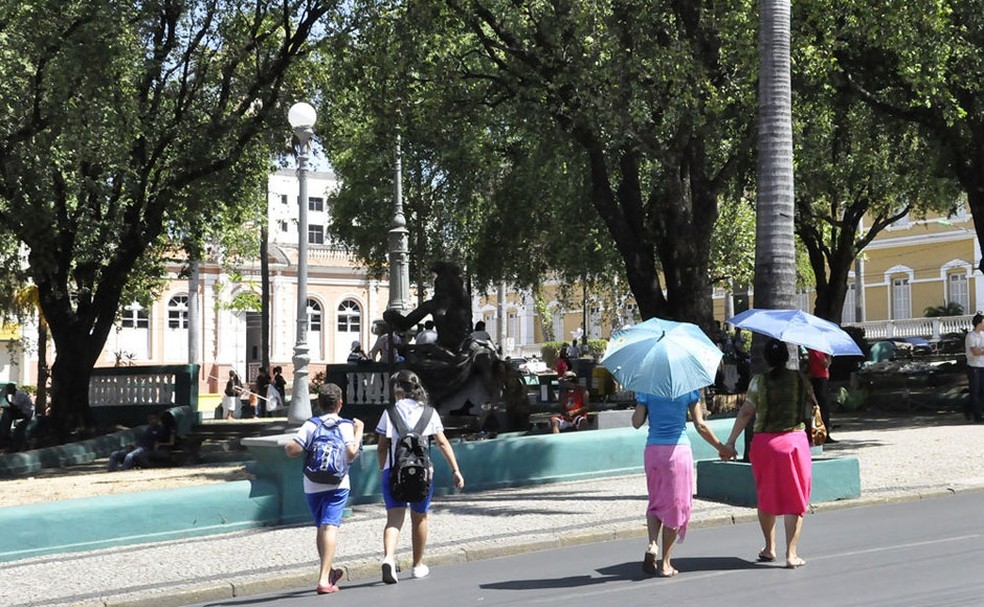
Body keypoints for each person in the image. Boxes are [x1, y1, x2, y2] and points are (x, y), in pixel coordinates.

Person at [723, 338, 817, 569]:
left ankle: (769, 548)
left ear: (766, 359)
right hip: (794, 443)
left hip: (764, 444)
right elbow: (812, 407)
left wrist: (731, 441)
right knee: (795, 499)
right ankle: (791, 554)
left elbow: (746, 412)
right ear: (787, 357)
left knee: (766, 496)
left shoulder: (758, 382)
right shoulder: (801, 380)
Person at [375, 369, 464, 583]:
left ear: (397, 390)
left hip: (394, 471)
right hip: (423, 473)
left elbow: (381, 446)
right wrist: (455, 470)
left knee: (394, 520)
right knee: (420, 517)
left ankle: (389, 557)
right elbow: (442, 442)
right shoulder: (429, 413)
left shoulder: (390, 413)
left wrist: (382, 468)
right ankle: (417, 565)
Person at [632, 389, 733, 577]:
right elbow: (700, 425)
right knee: (676, 506)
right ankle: (666, 564)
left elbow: (636, 423)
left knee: (655, 501)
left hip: (653, 451)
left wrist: (644, 402)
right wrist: (722, 447)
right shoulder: (687, 389)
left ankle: (652, 544)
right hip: (678, 451)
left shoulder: (647, 388)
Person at [285, 383, 365, 594]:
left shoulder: (311, 424)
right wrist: (360, 432)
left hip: (312, 484)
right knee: (330, 527)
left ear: (318, 404)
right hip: (338, 484)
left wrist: (289, 444)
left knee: (321, 527)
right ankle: (323, 580)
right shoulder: (346, 425)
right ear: (340, 403)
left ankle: (327, 572)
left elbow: (293, 449)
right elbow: (351, 453)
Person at [107, 412, 175, 471]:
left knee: (129, 456)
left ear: (158, 419)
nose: (152, 421)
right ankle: (111, 471)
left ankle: (123, 470)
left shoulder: (160, 429)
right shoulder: (147, 428)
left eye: (154, 418)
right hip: (137, 446)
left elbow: (162, 440)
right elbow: (136, 433)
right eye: (150, 419)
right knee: (114, 454)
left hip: (145, 449)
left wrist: (159, 444)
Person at [807, 349, 835, 441]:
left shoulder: (817, 352)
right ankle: (823, 434)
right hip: (819, 380)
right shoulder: (816, 351)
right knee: (823, 408)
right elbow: (826, 364)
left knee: (825, 408)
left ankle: (825, 432)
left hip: (821, 379)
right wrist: (829, 355)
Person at [0, 383, 35, 450]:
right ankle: (4, 433)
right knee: (6, 413)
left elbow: (16, 407)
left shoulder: (20, 394)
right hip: (21, 411)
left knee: (7, 414)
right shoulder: (14, 395)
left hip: (26, 412)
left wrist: (7, 400)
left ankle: (5, 435)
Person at [965, 312, 984, 423]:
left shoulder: (983, 335)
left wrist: (981, 351)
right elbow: (975, 352)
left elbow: (980, 351)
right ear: (979, 323)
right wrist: (980, 351)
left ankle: (969, 409)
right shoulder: (970, 336)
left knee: (982, 391)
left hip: (982, 365)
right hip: (974, 366)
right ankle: (977, 415)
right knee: (975, 391)